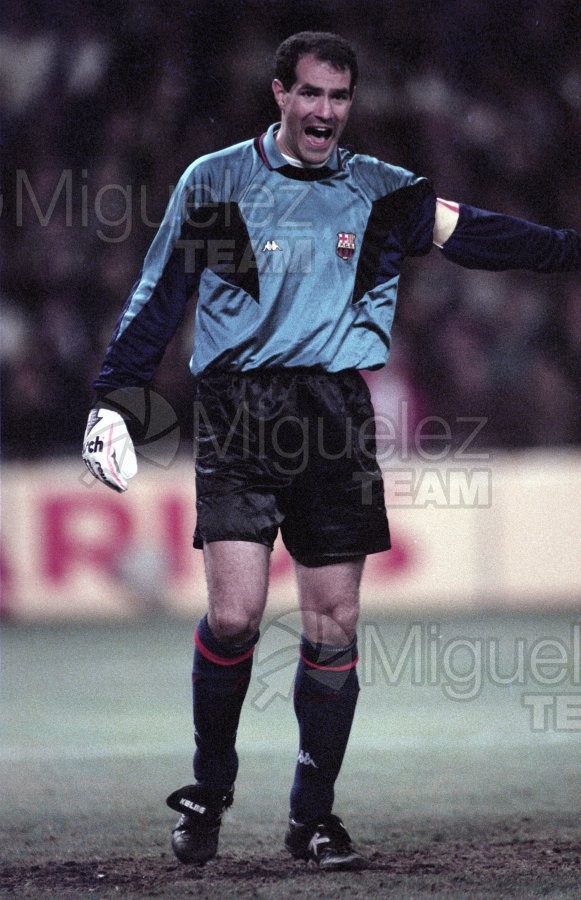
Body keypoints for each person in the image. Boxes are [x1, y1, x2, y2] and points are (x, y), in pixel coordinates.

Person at [82, 31, 580, 870]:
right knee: (236, 615)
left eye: (339, 98)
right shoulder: (215, 180)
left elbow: (481, 235)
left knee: (333, 621)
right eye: (310, 94)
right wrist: (112, 398)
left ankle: (311, 816)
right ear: (279, 93)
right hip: (240, 410)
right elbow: (160, 289)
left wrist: (569, 251)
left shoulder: (381, 191)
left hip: (333, 413)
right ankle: (210, 784)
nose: (324, 112)